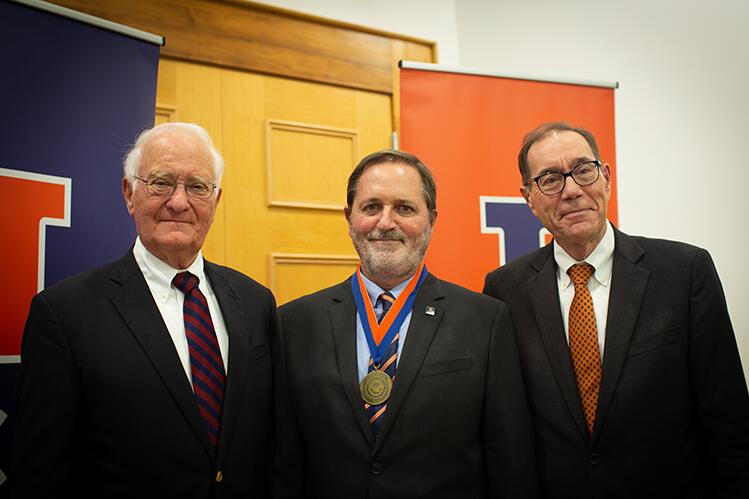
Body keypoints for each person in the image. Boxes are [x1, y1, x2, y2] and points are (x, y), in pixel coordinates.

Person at [483, 122, 749, 498]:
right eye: (550, 179)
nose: (572, 190)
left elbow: (729, 423)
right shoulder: (504, 289)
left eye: (583, 170)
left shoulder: (685, 272)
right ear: (529, 198)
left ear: (605, 177)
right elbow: (505, 428)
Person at [12, 122, 275, 497]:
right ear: (129, 193)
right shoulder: (64, 313)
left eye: (198, 186)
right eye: (161, 182)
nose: (179, 202)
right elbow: (40, 472)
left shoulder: (255, 301)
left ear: (215, 202)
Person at [273, 150, 538, 499]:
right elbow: (284, 465)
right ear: (349, 217)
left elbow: (510, 464)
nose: (386, 222)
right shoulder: (294, 324)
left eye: (404, 208)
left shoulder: (486, 321)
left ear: (431, 219)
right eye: (371, 207)